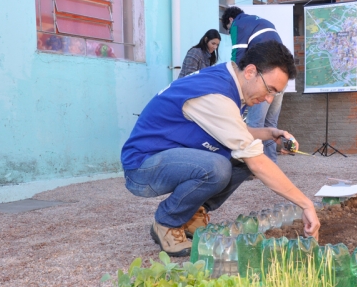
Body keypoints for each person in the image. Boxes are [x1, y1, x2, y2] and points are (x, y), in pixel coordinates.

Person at [121, 41, 320, 257]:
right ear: (251, 71)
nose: (268, 99)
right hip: (142, 167)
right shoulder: (217, 96)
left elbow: (235, 132)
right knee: (218, 167)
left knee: (240, 159)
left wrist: (271, 134)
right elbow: (257, 161)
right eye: (270, 89)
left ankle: (190, 214)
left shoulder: (227, 81)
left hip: (168, 157)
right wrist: (306, 204)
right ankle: (167, 222)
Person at [221, 6, 285, 163]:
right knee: (270, 124)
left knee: (254, 124)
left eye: (228, 31)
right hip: (279, 79)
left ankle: (255, 165)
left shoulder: (238, 24)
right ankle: (271, 163)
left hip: (263, 79)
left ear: (230, 20)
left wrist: (233, 81)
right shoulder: (262, 22)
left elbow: (238, 56)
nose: (231, 34)